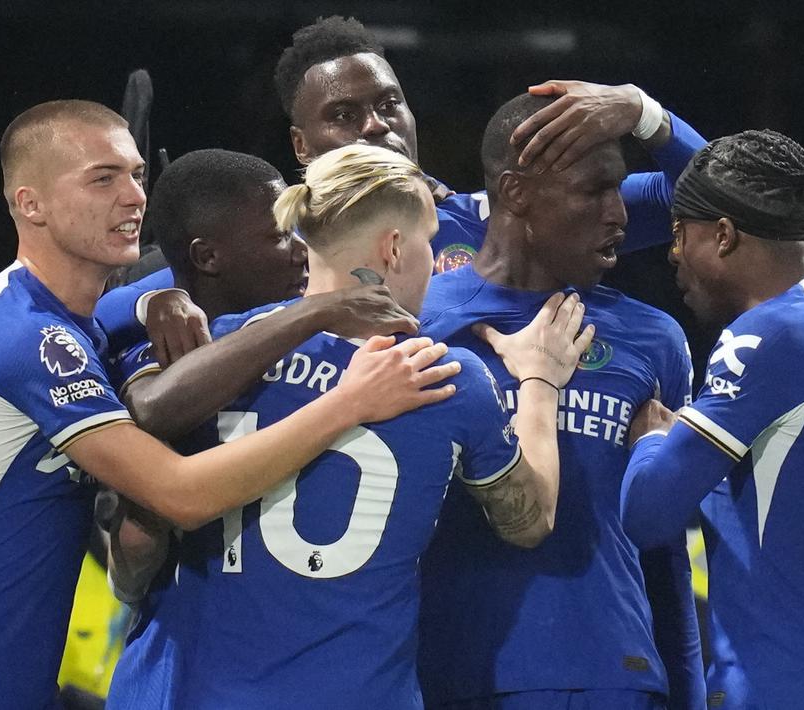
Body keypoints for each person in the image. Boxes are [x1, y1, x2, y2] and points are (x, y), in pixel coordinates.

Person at [0, 100, 457, 710]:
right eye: (102, 179)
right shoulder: (32, 342)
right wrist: (347, 396)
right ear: (31, 204)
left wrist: (151, 302)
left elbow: (103, 315)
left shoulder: (49, 313)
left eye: (135, 175)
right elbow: (181, 493)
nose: (133, 198)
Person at [104, 144, 590, 709]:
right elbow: (529, 521)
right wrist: (540, 383)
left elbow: (137, 546)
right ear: (393, 247)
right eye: (429, 243)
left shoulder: (213, 354)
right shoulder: (446, 379)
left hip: (187, 691)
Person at [93, 15, 707, 364]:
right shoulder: (275, 244)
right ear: (301, 147)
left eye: (390, 104)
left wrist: (642, 111)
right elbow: (105, 312)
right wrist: (155, 303)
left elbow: (709, 199)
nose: (376, 124)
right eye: (344, 114)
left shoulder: (501, 220)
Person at [416, 93, 702, 710]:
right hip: (445, 669)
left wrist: (689, 692)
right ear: (516, 194)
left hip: (612, 672)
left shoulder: (654, 339)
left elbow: (663, 547)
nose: (619, 215)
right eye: (593, 191)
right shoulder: (418, 321)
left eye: (619, 191)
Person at [619, 128, 804, 708]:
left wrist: (653, 438)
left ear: (722, 235)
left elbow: (646, 511)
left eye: (680, 234)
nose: (672, 253)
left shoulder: (769, 333)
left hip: (788, 681)